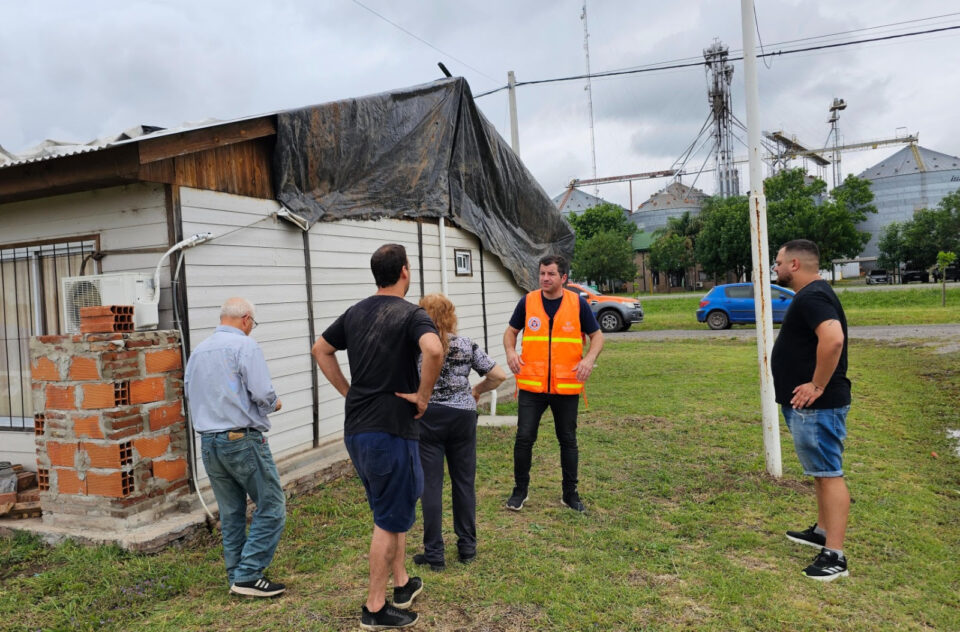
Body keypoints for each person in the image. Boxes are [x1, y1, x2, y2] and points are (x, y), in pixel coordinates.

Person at [312, 244, 444, 630]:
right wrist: (423, 395)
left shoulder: (356, 312)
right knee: (388, 520)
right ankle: (374, 608)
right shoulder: (411, 314)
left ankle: (401, 583)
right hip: (390, 432)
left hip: (359, 431)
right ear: (405, 271)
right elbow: (434, 349)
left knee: (392, 508)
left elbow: (321, 349)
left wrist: (349, 392)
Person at [184, 297, 286, 598]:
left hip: (209, 442)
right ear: (245, 319)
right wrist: (274, 404)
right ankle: (249, 574)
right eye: (252, 323)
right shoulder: (245, 346)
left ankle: (237, 575)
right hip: (240, 439)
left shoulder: (199, 351)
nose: (252, 328)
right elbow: (262, 392)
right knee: (272, 506)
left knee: (231, 512)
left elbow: (191, 392)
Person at [771, 239, 852, 582]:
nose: (774, 267)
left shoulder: (813, 296)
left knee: (829, 472)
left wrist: (816, 385)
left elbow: (832, 339)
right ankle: (821, 531)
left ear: (794, 265)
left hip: (819, 405)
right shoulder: (810, 294)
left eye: (778, 262)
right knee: (820, 470)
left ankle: (835, 555)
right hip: (809, 406)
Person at [413, 294, 507, 572]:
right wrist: (476, 390)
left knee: (431, 485)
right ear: (451, 315)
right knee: (464, 481)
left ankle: (434, 553)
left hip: (428, 417)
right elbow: (499, 375)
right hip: (462, 418)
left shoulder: (416, 346)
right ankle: (467, 547)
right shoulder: (466, 344)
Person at [503, 254, 603, 513]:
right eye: (542, 273)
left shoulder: (577, 304)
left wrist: (589, 359)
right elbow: (510, 332)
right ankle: (519, 491)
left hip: (566, 386)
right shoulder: (527, 302)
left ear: (564, 278)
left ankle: (570, 494)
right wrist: (511, 353)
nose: (545, 278)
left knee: (568, 440)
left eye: (551, 274)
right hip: (532, 387)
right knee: (524, 438)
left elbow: (597, 336)